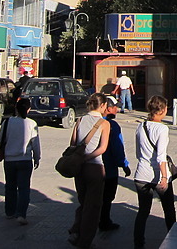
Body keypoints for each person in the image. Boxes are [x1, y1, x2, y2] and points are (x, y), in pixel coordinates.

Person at [68, 93, 111, 249]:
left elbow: (72, 143)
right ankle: (85, 241)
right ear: (102, 106)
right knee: (93, 206)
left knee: (83, 201)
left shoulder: (79, 120)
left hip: (78, 167)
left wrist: (81, 158)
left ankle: (75, 231)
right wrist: (88, 157)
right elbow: (102, 148)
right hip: (94, 166)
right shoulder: (104, 123)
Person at [134, 95, 176, 248]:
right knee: (169, 210)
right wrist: (164, 176)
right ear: (163, 110)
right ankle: (173, 239)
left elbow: (138, 153)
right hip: (158, 175)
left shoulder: (141, 126)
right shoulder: (162, 128)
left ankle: (138, 244)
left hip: (141, 174)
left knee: (143, 212)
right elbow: (161, 156)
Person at [0, 98, 41, 225]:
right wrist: (37, 158)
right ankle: (21, 214)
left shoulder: (7, 122)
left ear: (16, 108)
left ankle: (9, 212)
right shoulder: (32, 123)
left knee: (10, 186)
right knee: (24, 188)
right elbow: (35, 144)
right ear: (29, 109)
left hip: (9, 160)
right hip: (25, 160)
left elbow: (0, 140)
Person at [100, 95, 131, 231]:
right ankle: (104, 221)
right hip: (109, 168)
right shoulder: (112, 126)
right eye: (115, 107)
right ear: (108, 108)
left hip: (91, 167)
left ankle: (87, 222)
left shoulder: (90, 121)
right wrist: (124, 164)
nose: (117, 110)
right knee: (107, 197)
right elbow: (117, 147)